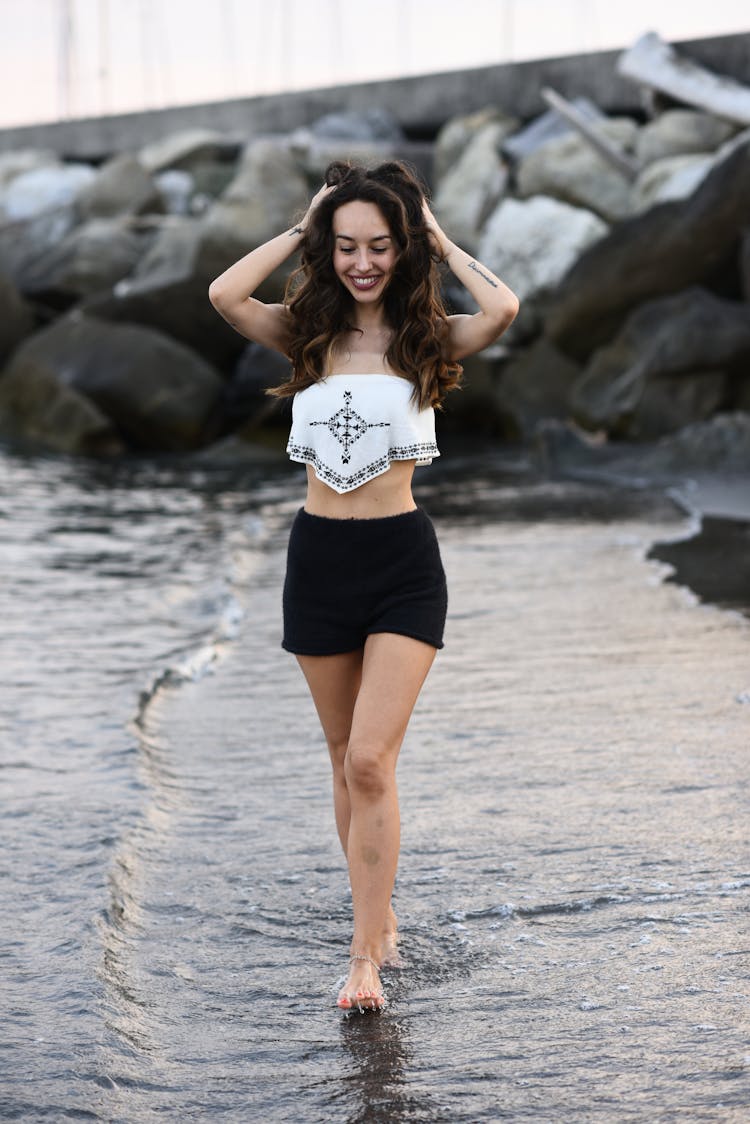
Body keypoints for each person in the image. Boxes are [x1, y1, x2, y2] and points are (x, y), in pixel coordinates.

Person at [209, 160, 518, 1012]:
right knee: (345, 763)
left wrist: (439, 236)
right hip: (318, 565)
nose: (362, 262)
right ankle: (376, 919)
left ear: (401, 247)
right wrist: (305, 222)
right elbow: (226, 295)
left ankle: (364, 961)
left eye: (379, 246)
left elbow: (502, 309)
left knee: (373, 760)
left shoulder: (428, 340)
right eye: (345, 246)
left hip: (401, 564)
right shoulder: (306, 337)